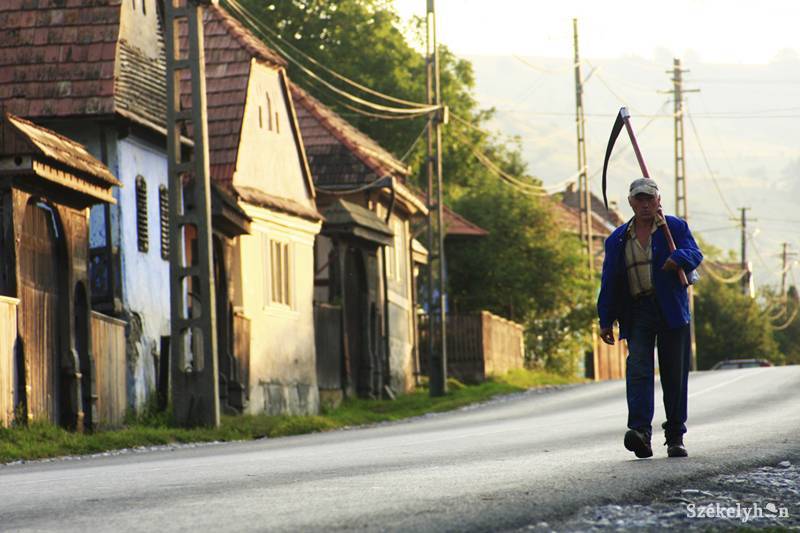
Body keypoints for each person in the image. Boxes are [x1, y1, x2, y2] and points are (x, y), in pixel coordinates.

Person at [597, 178, 703, 459]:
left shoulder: (673, 227)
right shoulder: (618, 238)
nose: (645, 204)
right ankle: (640, 433)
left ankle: (675, 436)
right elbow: (609, 280)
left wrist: (679, 257)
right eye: (639, 200)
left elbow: (695, 253)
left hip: (670, 309)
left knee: (674, 374)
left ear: (658, 200)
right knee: (639, 369)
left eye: (649, 199)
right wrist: (605, 319)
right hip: (637, 310)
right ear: (631, 202)